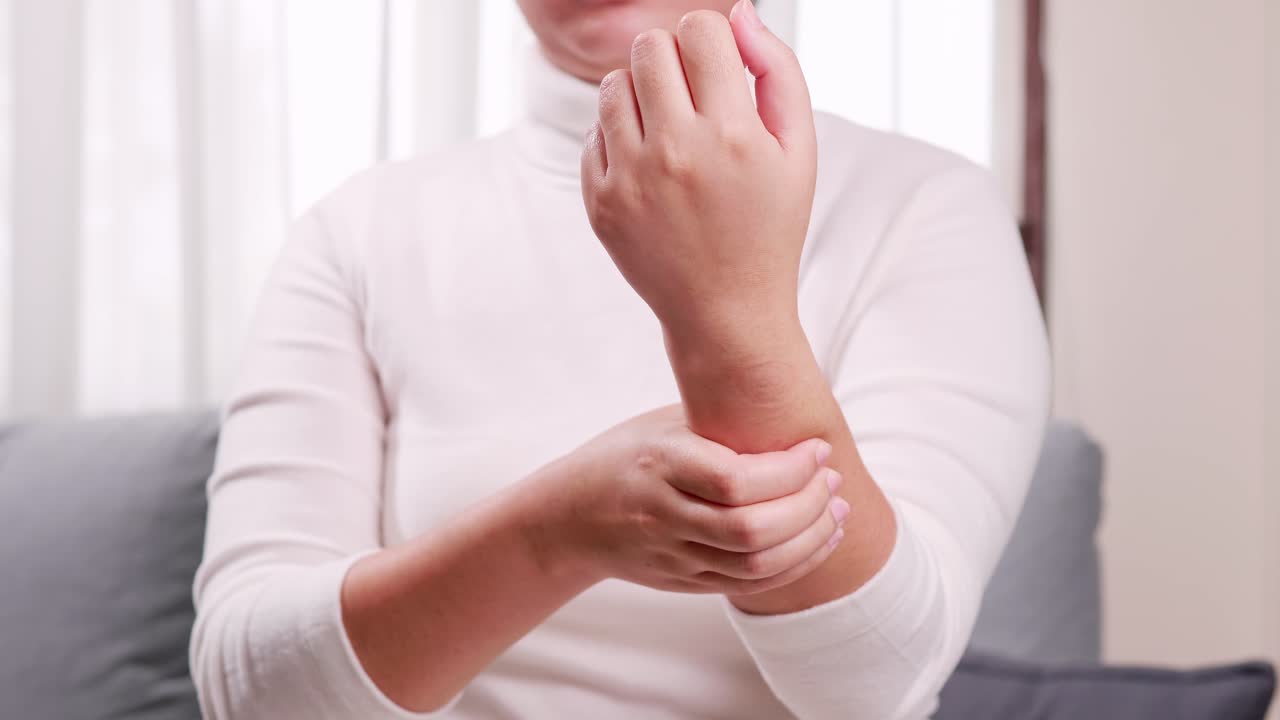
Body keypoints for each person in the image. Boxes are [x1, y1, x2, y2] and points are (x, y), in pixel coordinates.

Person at [190, 1, 1050, 718]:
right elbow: (255, 693)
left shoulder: (926, 207)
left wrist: (728, 309)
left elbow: (875, 684)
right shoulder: (361, 228)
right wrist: (554, 533)